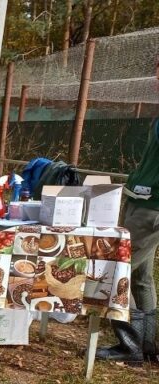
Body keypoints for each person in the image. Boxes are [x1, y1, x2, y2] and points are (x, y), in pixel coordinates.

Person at [97, 52, 159, 364]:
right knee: (141, 278)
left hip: (153, 209)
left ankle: (129, 346)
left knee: (117, 272)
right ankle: (147, 347)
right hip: (141, 200)